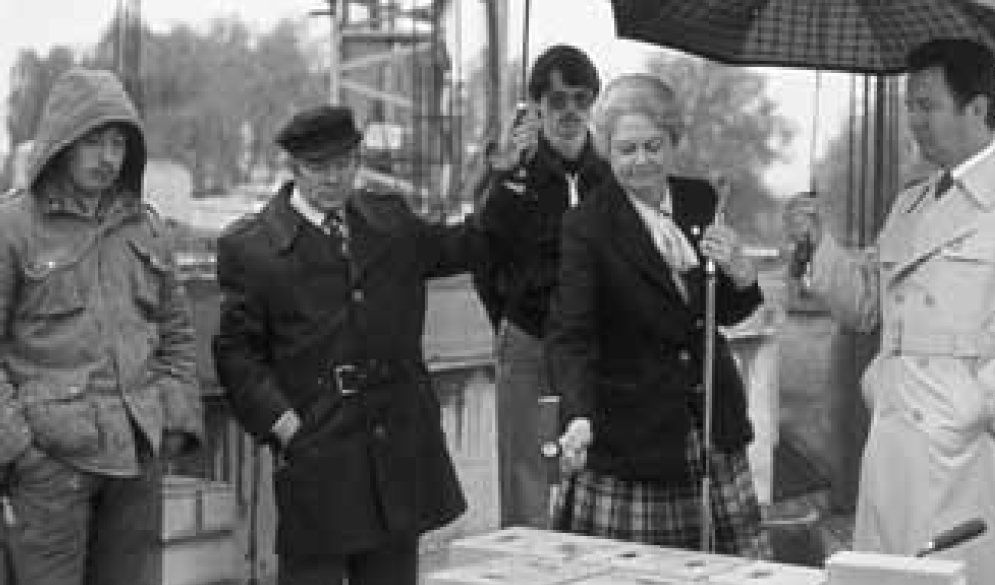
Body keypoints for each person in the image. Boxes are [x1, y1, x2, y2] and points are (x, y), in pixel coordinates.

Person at [784, 39, 995, 585]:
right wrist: (819, 245)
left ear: (977, 108)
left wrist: (976, 406)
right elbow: (866, 307)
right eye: (910, 106)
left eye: (927, 106)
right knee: (889, 575)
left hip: (973, 453)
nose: (914, 122)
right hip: (895, 438)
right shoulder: (912, 203)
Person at [212, 105, 489, 585]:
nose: (334, 178)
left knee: (392, 574)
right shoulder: (253, 248)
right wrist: (284, 426)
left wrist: (500, 180)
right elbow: (237, 353)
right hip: (318, 447)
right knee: (311, 575)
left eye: (344, 163)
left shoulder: (391, 222)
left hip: (396, 445)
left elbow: (463, 246)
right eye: (319, 167)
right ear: (294, 168)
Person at [546, 74, 771, 556]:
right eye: (627, 150)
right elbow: (572, 335)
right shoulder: (587, 225)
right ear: (607, 150)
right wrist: (578, 415)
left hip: (711, 423)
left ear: (673, 142)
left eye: (654, 145)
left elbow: (723, 313)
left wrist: (741, 271)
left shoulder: (702, 200)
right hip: (631, 435)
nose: (642, 160)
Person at [0, 68, 204, 585]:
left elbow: (177, 333)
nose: (107, 157)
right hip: (49, 467)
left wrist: (174, 423)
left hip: (134, 459)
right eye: (92, 141)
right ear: (61, 141)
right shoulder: (13, 229)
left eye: (117, 143)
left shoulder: (145, 226)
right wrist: (19, 450)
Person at [477, 44, 612, 528]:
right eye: (557, 100)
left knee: (596, 474)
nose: (570, 112)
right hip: (530, 340)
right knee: (528, 477)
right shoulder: (513, 175)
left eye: (581, 98)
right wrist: (512, 322)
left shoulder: (609, 176)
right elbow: (483, 255)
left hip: (594, 347)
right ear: (536, 106)